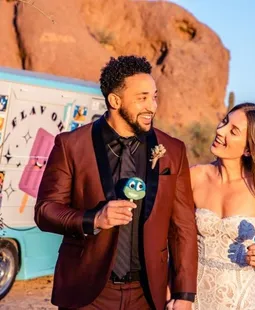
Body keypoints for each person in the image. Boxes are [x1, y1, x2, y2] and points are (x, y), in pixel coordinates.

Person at [34, 55, 198, 310]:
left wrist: (185, 293)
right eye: (142, 98)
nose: (152, 106)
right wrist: (93, 219)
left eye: (154, 97)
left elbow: (184, 227)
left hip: (147, 295)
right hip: (87, 294)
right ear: (114, 100)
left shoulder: (173, 151)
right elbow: (45, 211)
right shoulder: (72, 145)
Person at [190, 103, 255, 310]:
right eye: (224, 122)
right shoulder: (195, 176)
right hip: (193, 296)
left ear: (249, 149)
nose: (220, 130)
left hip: (239, 299)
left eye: (233, 131)